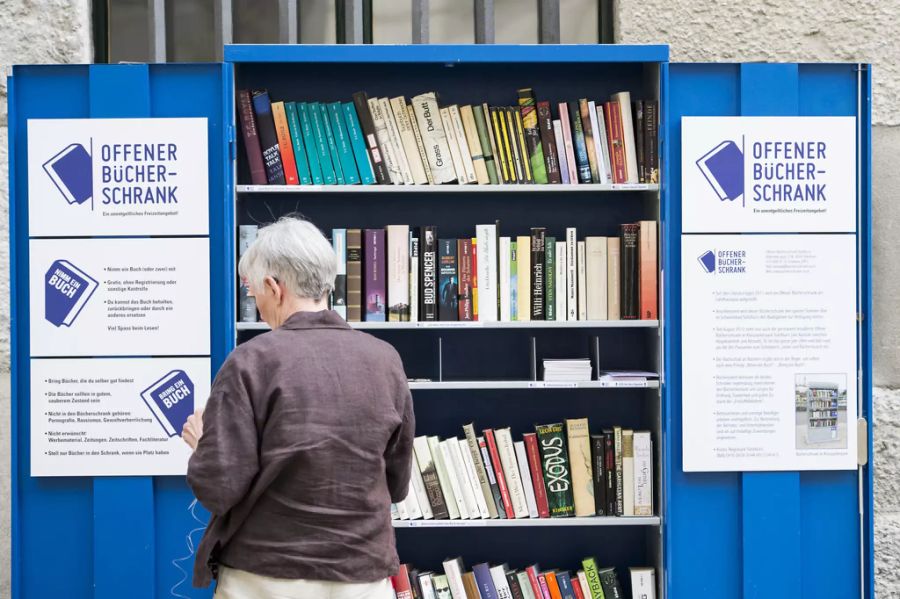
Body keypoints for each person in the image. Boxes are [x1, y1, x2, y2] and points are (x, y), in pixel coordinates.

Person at [181, 216, 414, 599]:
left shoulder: (250, 362)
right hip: (362, 577)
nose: (255, 302)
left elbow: (219, 489)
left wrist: (204, 443)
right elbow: (397, 483)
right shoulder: (385, 360)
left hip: (264, 577)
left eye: (254, 291)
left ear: (275, 288)